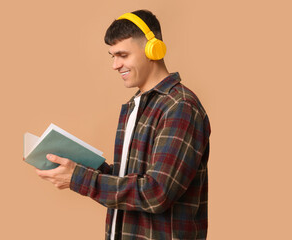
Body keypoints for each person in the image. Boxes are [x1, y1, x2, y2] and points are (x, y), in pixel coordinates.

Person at [36, 9, 211, 240]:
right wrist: (81, 166)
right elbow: (130, 181)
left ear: (153, 50)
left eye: (123, 55)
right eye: (113, 56)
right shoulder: (135, 106)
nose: (115, 65)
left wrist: (80, 179)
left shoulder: (180, 107)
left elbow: (156, 192)